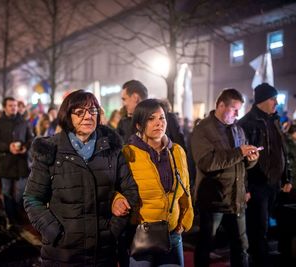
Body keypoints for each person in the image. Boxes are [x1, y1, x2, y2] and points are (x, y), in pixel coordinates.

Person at [23, 90, 139, 266]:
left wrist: (112, 230)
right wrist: (54, 232)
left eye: (93, 111)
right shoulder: (50, 150)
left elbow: (130, 190)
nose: (88, 117)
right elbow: (32, 198)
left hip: (103, 251)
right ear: (67, 116)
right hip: (62, 253)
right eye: (80, 112)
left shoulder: (112, 149)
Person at [114, 98, 193, 266]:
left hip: (172, 233)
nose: (159, 123)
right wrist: (117, 200)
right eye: (151, 118)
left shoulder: (177, 151)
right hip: (141, 233)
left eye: (162, 117)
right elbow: (115, 188)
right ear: (138, 125)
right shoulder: (128, 154)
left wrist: (186, 219)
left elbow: (185, 189)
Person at [191, 88, 260, 267]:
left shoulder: (237, 129)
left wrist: (251, 159)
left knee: (241, 246)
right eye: (234, 109)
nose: (238, 114)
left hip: (236, 198)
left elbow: (241, 165)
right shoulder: (203, 129)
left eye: (239, 110)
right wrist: (239, 153)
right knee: (206, 245)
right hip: (213, 199)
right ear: (221, 105)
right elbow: (206, 162)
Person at [238, 83, 293, 267]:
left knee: (272, 228)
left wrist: (286, 178)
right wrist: (245, 188)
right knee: (258, 229)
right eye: (272, 98)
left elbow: (282, 151)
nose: (276, 102)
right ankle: (259, 262)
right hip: (257, 185)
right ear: (262, 100)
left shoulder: (274, 120)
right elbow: (242, 160)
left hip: (275, 184)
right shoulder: (246, 123)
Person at [0, 96, 34, 228]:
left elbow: (31, 138)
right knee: (7, 192)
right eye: (10, 105)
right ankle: (10, 218)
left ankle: (17, 213)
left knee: (21, 192)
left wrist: (25, 147)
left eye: (15, 105)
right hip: (5, 163)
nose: (13, 107)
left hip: (21, 163)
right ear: (4, 107)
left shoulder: (24, 122)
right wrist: (8, 147)